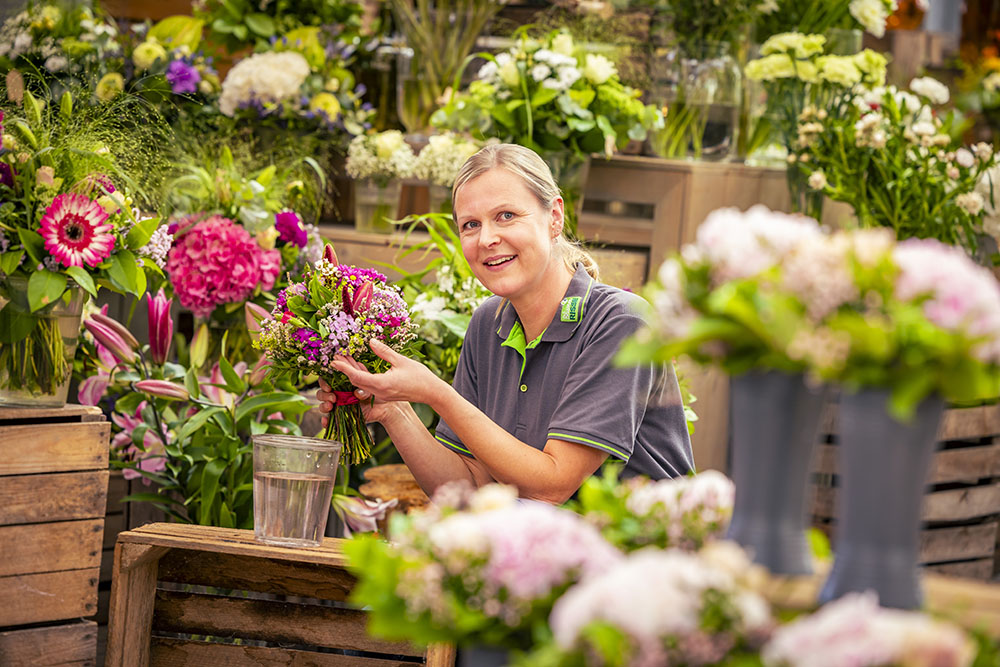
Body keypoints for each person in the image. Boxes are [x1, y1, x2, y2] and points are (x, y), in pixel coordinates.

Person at [318, 143, 693, 504]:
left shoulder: (620, 320)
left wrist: (437, 393)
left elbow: (553, 486)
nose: (487, 239)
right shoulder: (488, 322)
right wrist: (393, 409)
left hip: (639, 558)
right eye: (470, 225)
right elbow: (468, 487)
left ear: (555, 217)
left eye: (506, 216)